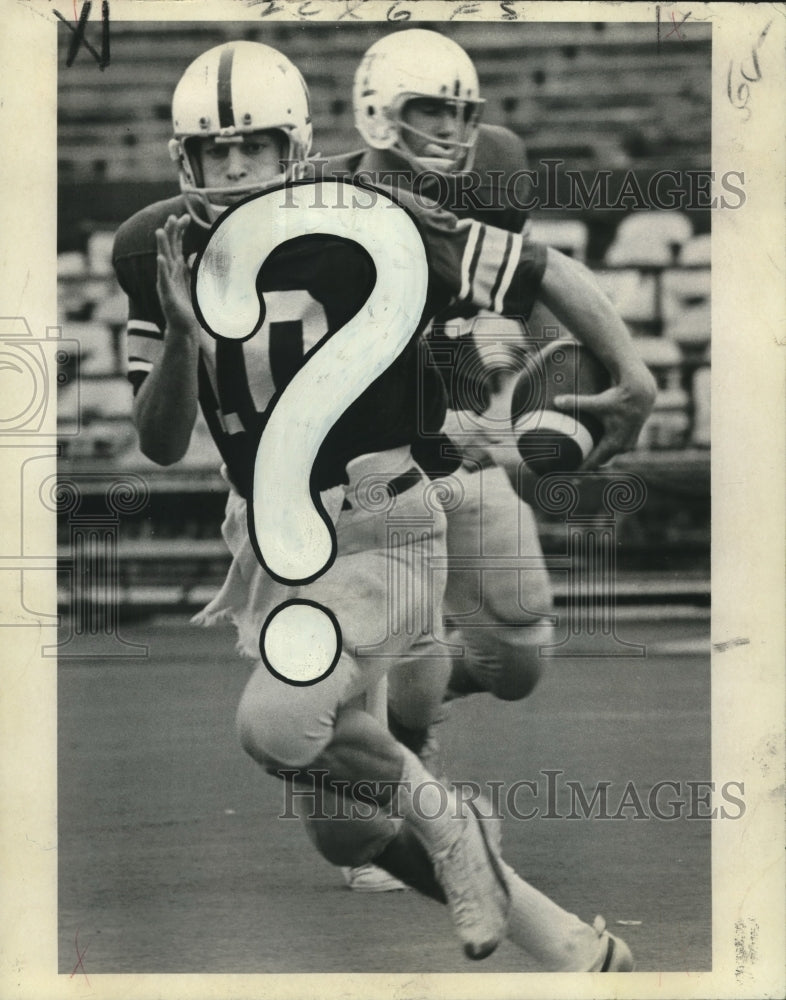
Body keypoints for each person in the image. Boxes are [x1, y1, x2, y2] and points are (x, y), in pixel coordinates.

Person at [113, 39, 653, 969]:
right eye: (214, 151)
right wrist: (179, 337)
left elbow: (540, 270)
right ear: (184, 159)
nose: (235, 168)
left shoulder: (369, 216)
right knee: (346, 833)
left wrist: (633, 374)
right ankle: (571, 951)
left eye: (255, 146)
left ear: (297, 149)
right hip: (277, 546)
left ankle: (447, 813)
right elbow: (160, 441)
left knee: (276, 723)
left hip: (384, 516)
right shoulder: (157, 249)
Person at [328, 29, 623, 892]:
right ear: (381, 112)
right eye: (428, 109)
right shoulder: (334, 202)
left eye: (461, 110)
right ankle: (399, 788)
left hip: (460, 425)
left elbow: (516, 286)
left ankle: (392, 709)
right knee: (409, 664)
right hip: (370, 454)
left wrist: (530, 395)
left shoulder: (495, 166)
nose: (452, 129)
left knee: (520, 652)